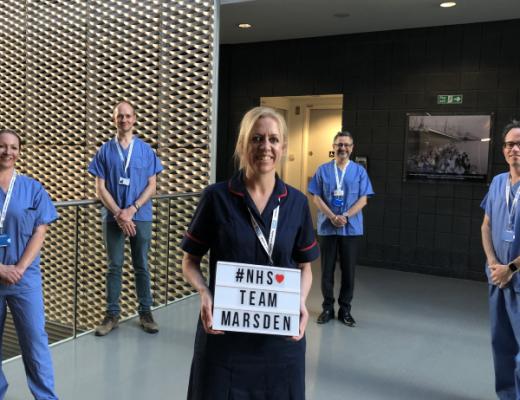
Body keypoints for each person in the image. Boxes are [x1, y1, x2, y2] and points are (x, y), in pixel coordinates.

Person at [181, 106, 319, 400]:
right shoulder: (216, 197)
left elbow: (306, 267)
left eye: (272, 139)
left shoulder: (296, 202)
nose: (265, 147)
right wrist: (205, 292)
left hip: (280, 342)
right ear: (243, 145)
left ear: (283, 147)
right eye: (256, 139)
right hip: (224, 339)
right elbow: (190, 261)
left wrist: (300, 299)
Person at [88, 101, 163, 336]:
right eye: (120, 116)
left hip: (140, 217)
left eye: (128, 116)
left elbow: (152, 185)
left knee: (141, 265)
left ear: (134, 119)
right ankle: (112, 315)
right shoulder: (104, 151)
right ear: (114, 119)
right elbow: (99, 188)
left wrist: (132, 209)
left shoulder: (146, 150)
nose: (124, 120)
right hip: (113, 219)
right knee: (114, 266)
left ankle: (145, 312)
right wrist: (119, 213)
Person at [0, 129, 59, 399]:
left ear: (19, 152)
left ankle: (45, 396)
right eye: (2, 146)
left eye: (13, 147)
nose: (8, 152)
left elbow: (40, 229)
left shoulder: (32, 188)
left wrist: (19, 268)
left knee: (35, 342)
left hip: (25, 279)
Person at [308, 131, 374, 326]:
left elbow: (364, 199)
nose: (342, 148)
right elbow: (316, 197)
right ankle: (327, 308)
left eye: (346, 145)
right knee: (326, 271)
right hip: (328, 228)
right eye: (339, 144)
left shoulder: (360, 172)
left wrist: (345, 216)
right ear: (333, 147)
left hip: (351, 228)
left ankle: (345, 309)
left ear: (352, 148)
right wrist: (331, 216)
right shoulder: (322, 170)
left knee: (348, 271)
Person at [481, 120, 520, 399]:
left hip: (517, 278)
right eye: (509, 144)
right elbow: (485, 225)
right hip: (497, 278)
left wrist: (512, 268)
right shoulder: (497, 183)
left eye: (519, 144)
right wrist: (495, 264)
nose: (514, 149)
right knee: (501, 343)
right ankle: (507, 395)